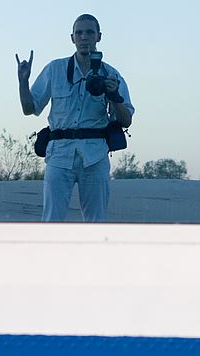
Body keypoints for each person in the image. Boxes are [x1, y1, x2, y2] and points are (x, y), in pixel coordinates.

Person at [16, 14, 134, 222]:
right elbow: (29, 108)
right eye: (79, 33)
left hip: (95, 156)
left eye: (89, 32)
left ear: (99, 36)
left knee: (95, 223)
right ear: (72, 38)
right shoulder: (55, 69)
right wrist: (23, 82)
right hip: (59, 156)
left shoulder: (111, 74)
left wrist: (114, 96)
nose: (84, 37)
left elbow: (126, 120)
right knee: (51, 221)